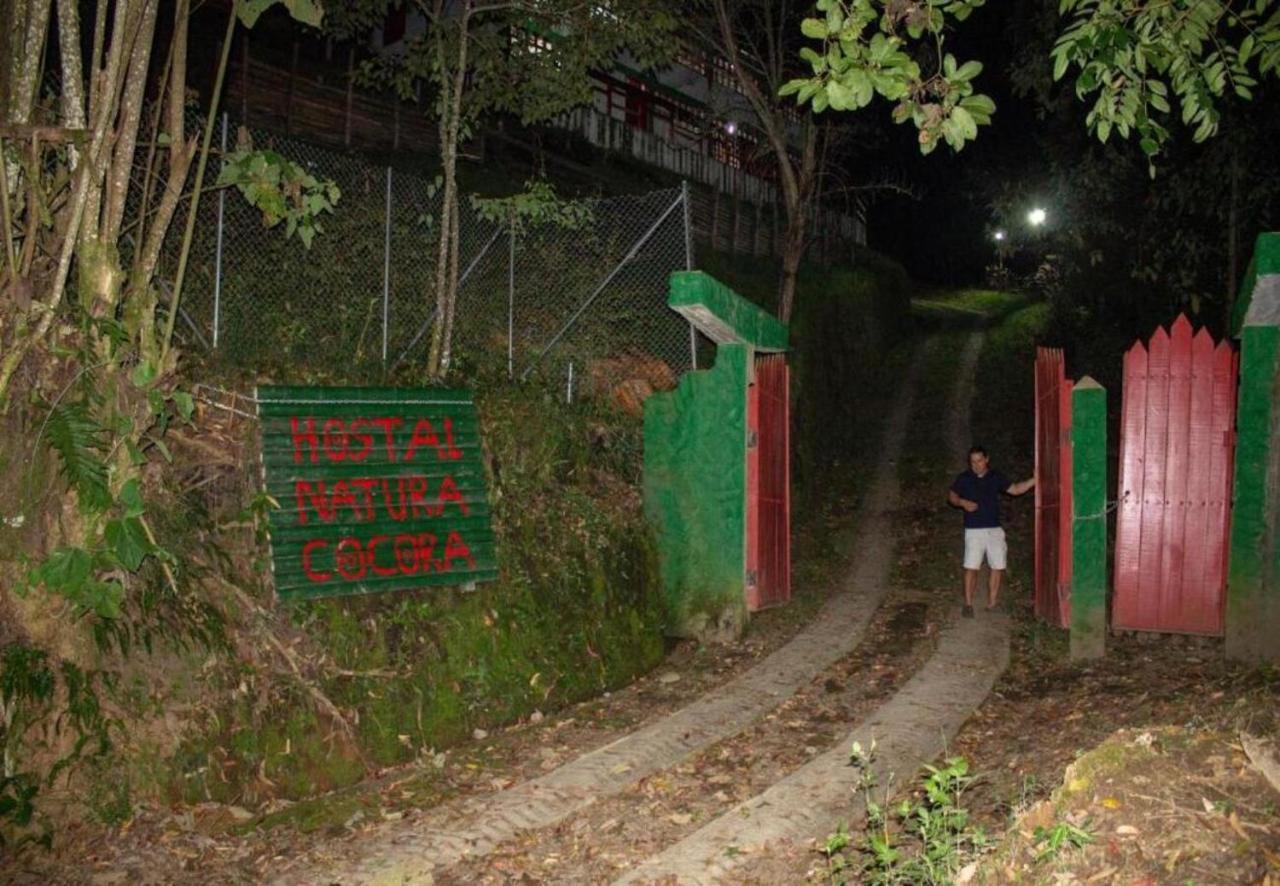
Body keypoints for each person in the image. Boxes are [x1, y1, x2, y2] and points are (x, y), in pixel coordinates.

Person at [947, 445, 1035, 617]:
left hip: (994, 529)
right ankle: (968, 604)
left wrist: (1034, 480)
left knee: (998, 565)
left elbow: (1015, 489)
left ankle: (992, 602)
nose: (976, 465)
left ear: (986, 459)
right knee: (971, 567)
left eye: (979, 461)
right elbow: (952, 496)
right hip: (974, 530)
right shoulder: (964, 478)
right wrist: (962, 502)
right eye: (973, 462)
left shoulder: (996, 477)